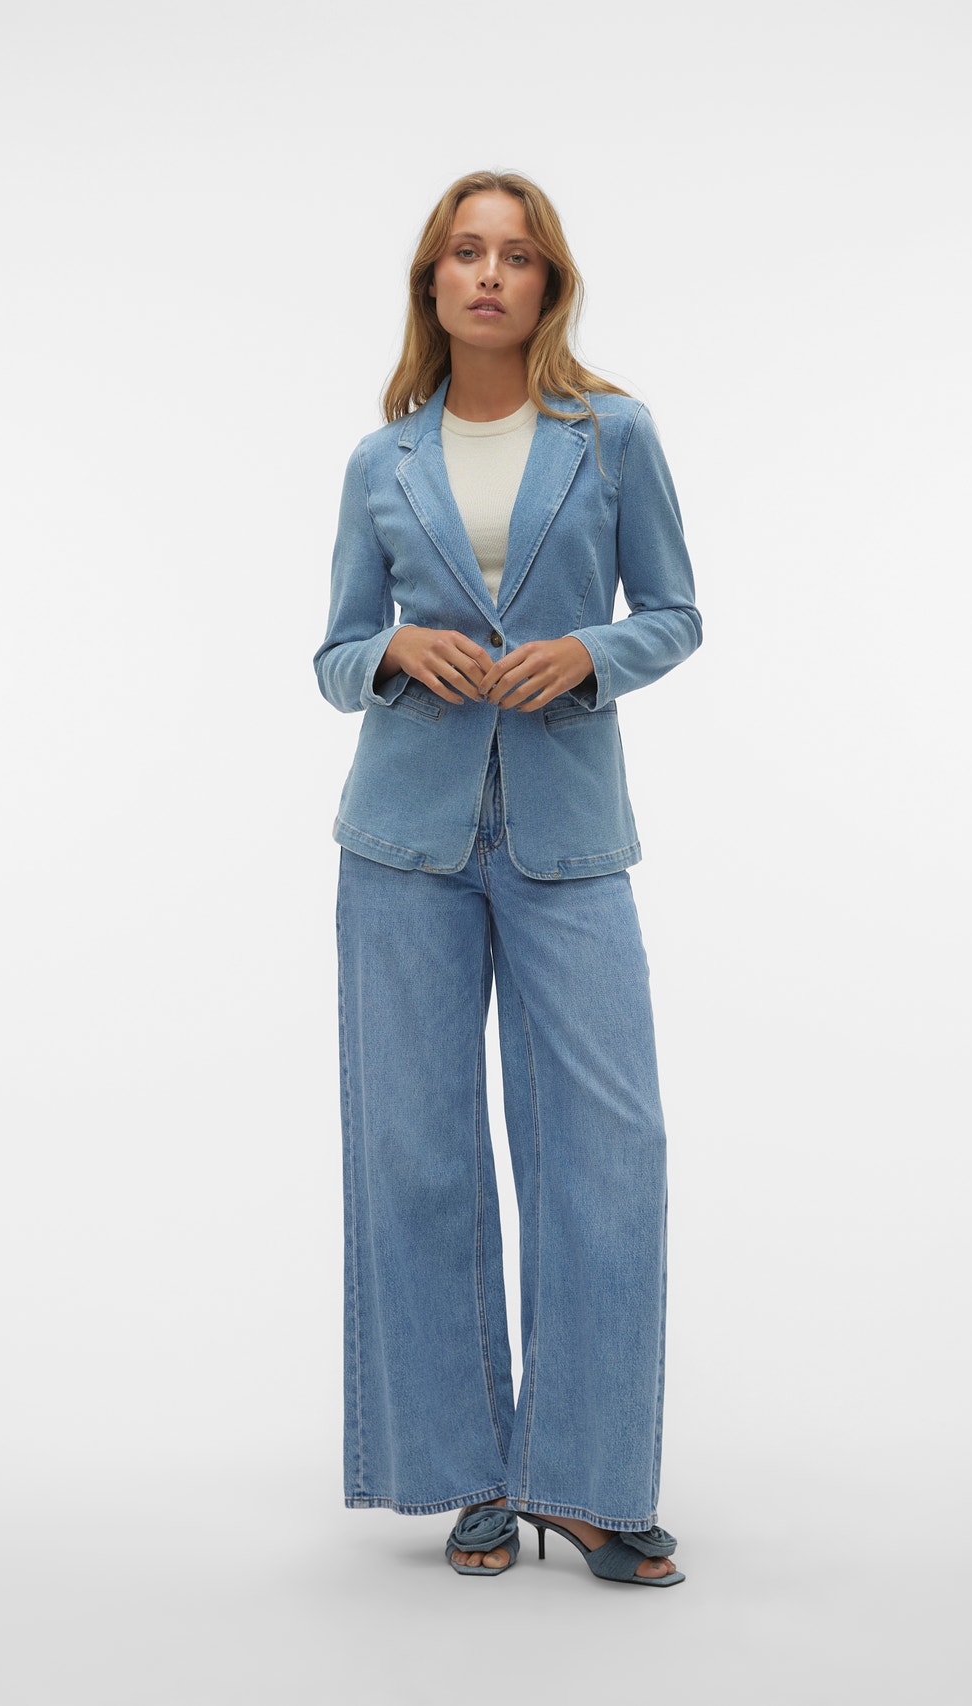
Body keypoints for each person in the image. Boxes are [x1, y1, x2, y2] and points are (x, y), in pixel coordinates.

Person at [312, 169, 702, 1587]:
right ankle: (470, 1474)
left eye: (518, 255)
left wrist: (592, 652)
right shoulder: (383, 461)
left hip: (567, 837)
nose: (490, 274)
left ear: (550, 284)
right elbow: (333, 654)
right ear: (433, 280)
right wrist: (390, 653)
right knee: (417, 1158)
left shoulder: (614, 435)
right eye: (467, 252)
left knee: (610, 1149)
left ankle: (587, 1483)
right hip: (400, 843)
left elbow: (676, 612)